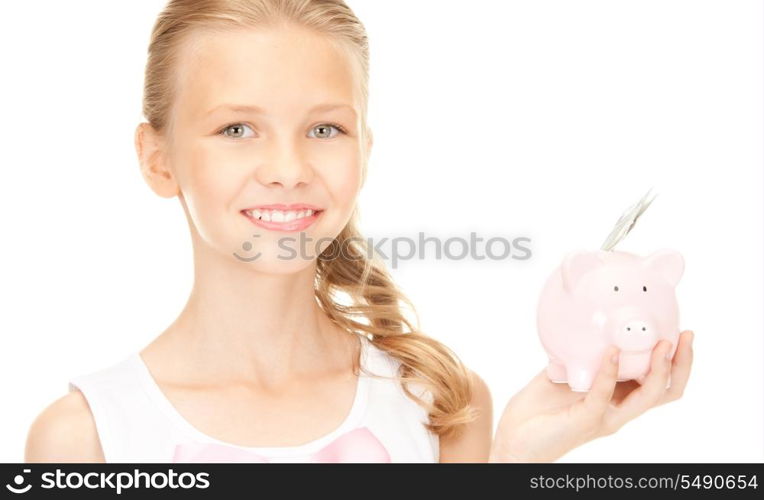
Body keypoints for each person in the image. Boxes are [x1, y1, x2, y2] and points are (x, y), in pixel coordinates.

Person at [24, 0, 693, 463]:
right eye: (236, 129)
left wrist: (513, 458)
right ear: (157, 158)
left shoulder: (441, 407)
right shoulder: (85, 439)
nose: (288, 169)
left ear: (364, 151)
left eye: (324, 129)